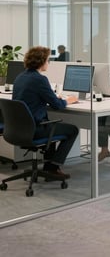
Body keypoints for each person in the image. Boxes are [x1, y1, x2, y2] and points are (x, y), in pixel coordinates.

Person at [12, 46, 79, 180]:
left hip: (18, 129)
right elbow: (57, 105)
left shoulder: (20, 77)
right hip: (34, 129)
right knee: (73, 130)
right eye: (48, 60)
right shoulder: (40, 79)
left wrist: (52, 97)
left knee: (51, 123)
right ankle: (53, 168)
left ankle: (49, 167)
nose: (49, 63)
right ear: (41, 61)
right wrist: (69, 100)